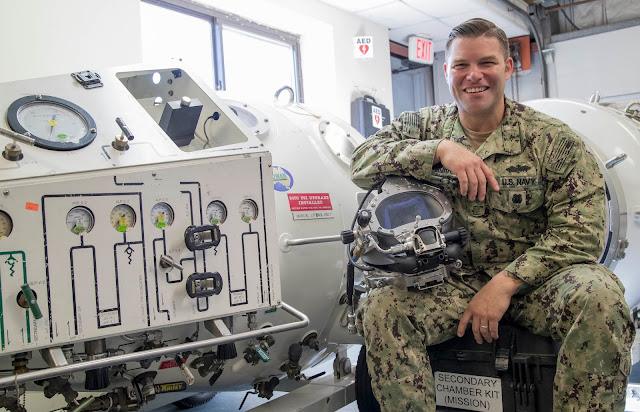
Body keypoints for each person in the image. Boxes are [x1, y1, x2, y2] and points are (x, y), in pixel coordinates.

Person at [350, 18, 635, 412]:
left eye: (487, 63)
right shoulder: (424, 127)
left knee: (601, 296)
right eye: (462, 65)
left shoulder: (551, 140)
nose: (474, 76)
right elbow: (361, 161)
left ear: (508, 68)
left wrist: (505, 283)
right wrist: (439, 150)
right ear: (447, 70)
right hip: (447, 283)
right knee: (380, 306)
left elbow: (581, 232)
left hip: (537, 285)